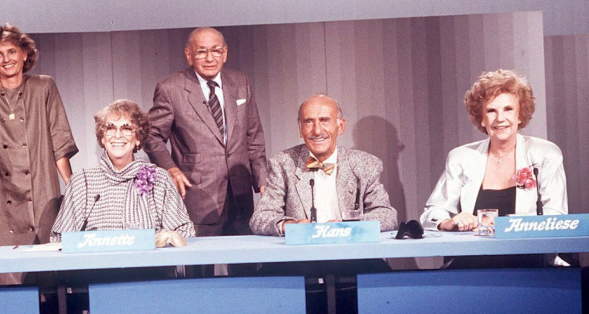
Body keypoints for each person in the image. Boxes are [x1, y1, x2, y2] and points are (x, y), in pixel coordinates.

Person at [0, 24, 78, 284]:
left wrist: (75, 191)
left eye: (12, 52)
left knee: (44, 279)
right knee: (0, 278)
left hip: (40, 196)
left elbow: (59, 144)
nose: (6, 59)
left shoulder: (44, 87)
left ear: (25, 54)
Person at [144, 27, 267, 237]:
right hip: (197, 197)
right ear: (189, 55)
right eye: (201, 52)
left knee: (244, 254)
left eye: (216, 51)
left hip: (241, 196)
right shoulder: (171, 89)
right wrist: (171, 169)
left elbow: (254, 137)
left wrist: (262, 181)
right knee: (200, 257)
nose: (210, 58)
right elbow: (151, 135)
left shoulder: (240, 83)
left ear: (225, 53)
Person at [420, 69, 567, 231]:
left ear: (520, 115)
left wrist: (501, 224)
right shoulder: (461, 158)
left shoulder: (545, 154)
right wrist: (447, 222)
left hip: (527, 247)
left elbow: (556, 215)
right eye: (491, 111)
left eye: (508, 109)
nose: (500, 119)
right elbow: (432, 213)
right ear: (482, 118)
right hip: (474, 246)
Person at [251, 94, 398, 236]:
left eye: (324, 120)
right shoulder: (282, 164)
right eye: (309, 122)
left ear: (340, 126)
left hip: (350, 250)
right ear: (300, 129)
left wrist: (347, 226)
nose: (317, 131)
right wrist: (290, 226)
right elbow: (261, 217)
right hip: (303, 252)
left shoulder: (364, 165)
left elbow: (387, 216)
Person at [51, 100, 194, 241]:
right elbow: (60, 238)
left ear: (138, 138)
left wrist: (157, 241)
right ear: (102, 139)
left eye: (126, 129)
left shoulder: (159, 179)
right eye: (110, 128)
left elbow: (184, 231)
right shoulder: (81, 181)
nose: (118, 135)